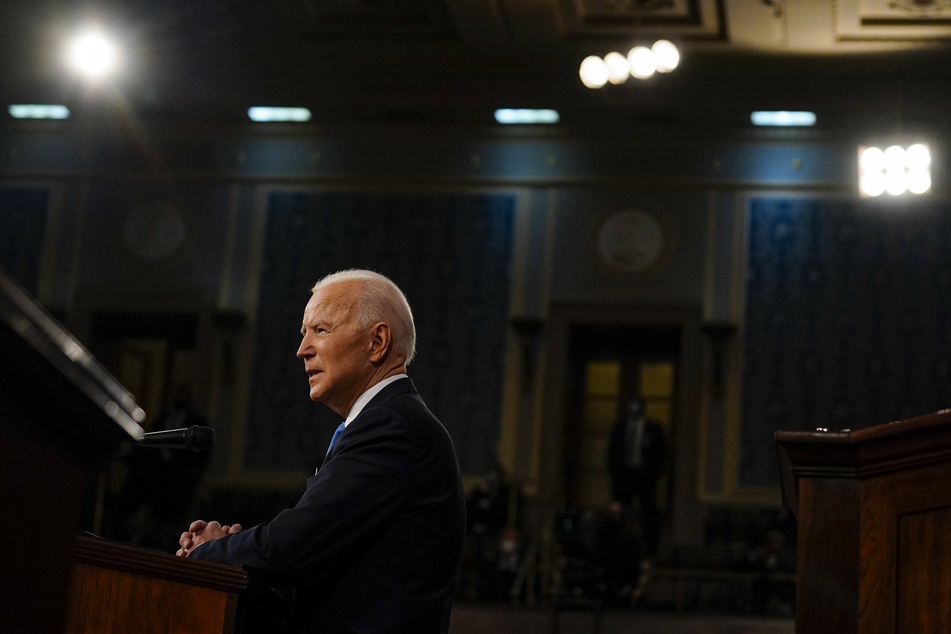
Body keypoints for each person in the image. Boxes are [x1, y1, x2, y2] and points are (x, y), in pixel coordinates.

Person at [177, 269, 466, 633]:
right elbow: (320, 553)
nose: (302, 350)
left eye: (321, 330)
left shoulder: (390, 426)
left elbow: (292, 547)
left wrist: (210, 551)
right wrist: (232, 548)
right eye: (304, 333)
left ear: (377, 342)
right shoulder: (383, 423)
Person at [607, 397, 667, 560]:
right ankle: (616, 548)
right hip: (623, 476)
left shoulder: (654, 429)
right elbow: (612, 454)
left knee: (648, 513)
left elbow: (661, 456)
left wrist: (653, 475)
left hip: (645, 476)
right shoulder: (619, 428)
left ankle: (649, 551)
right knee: (620, 512)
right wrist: (616, 475)